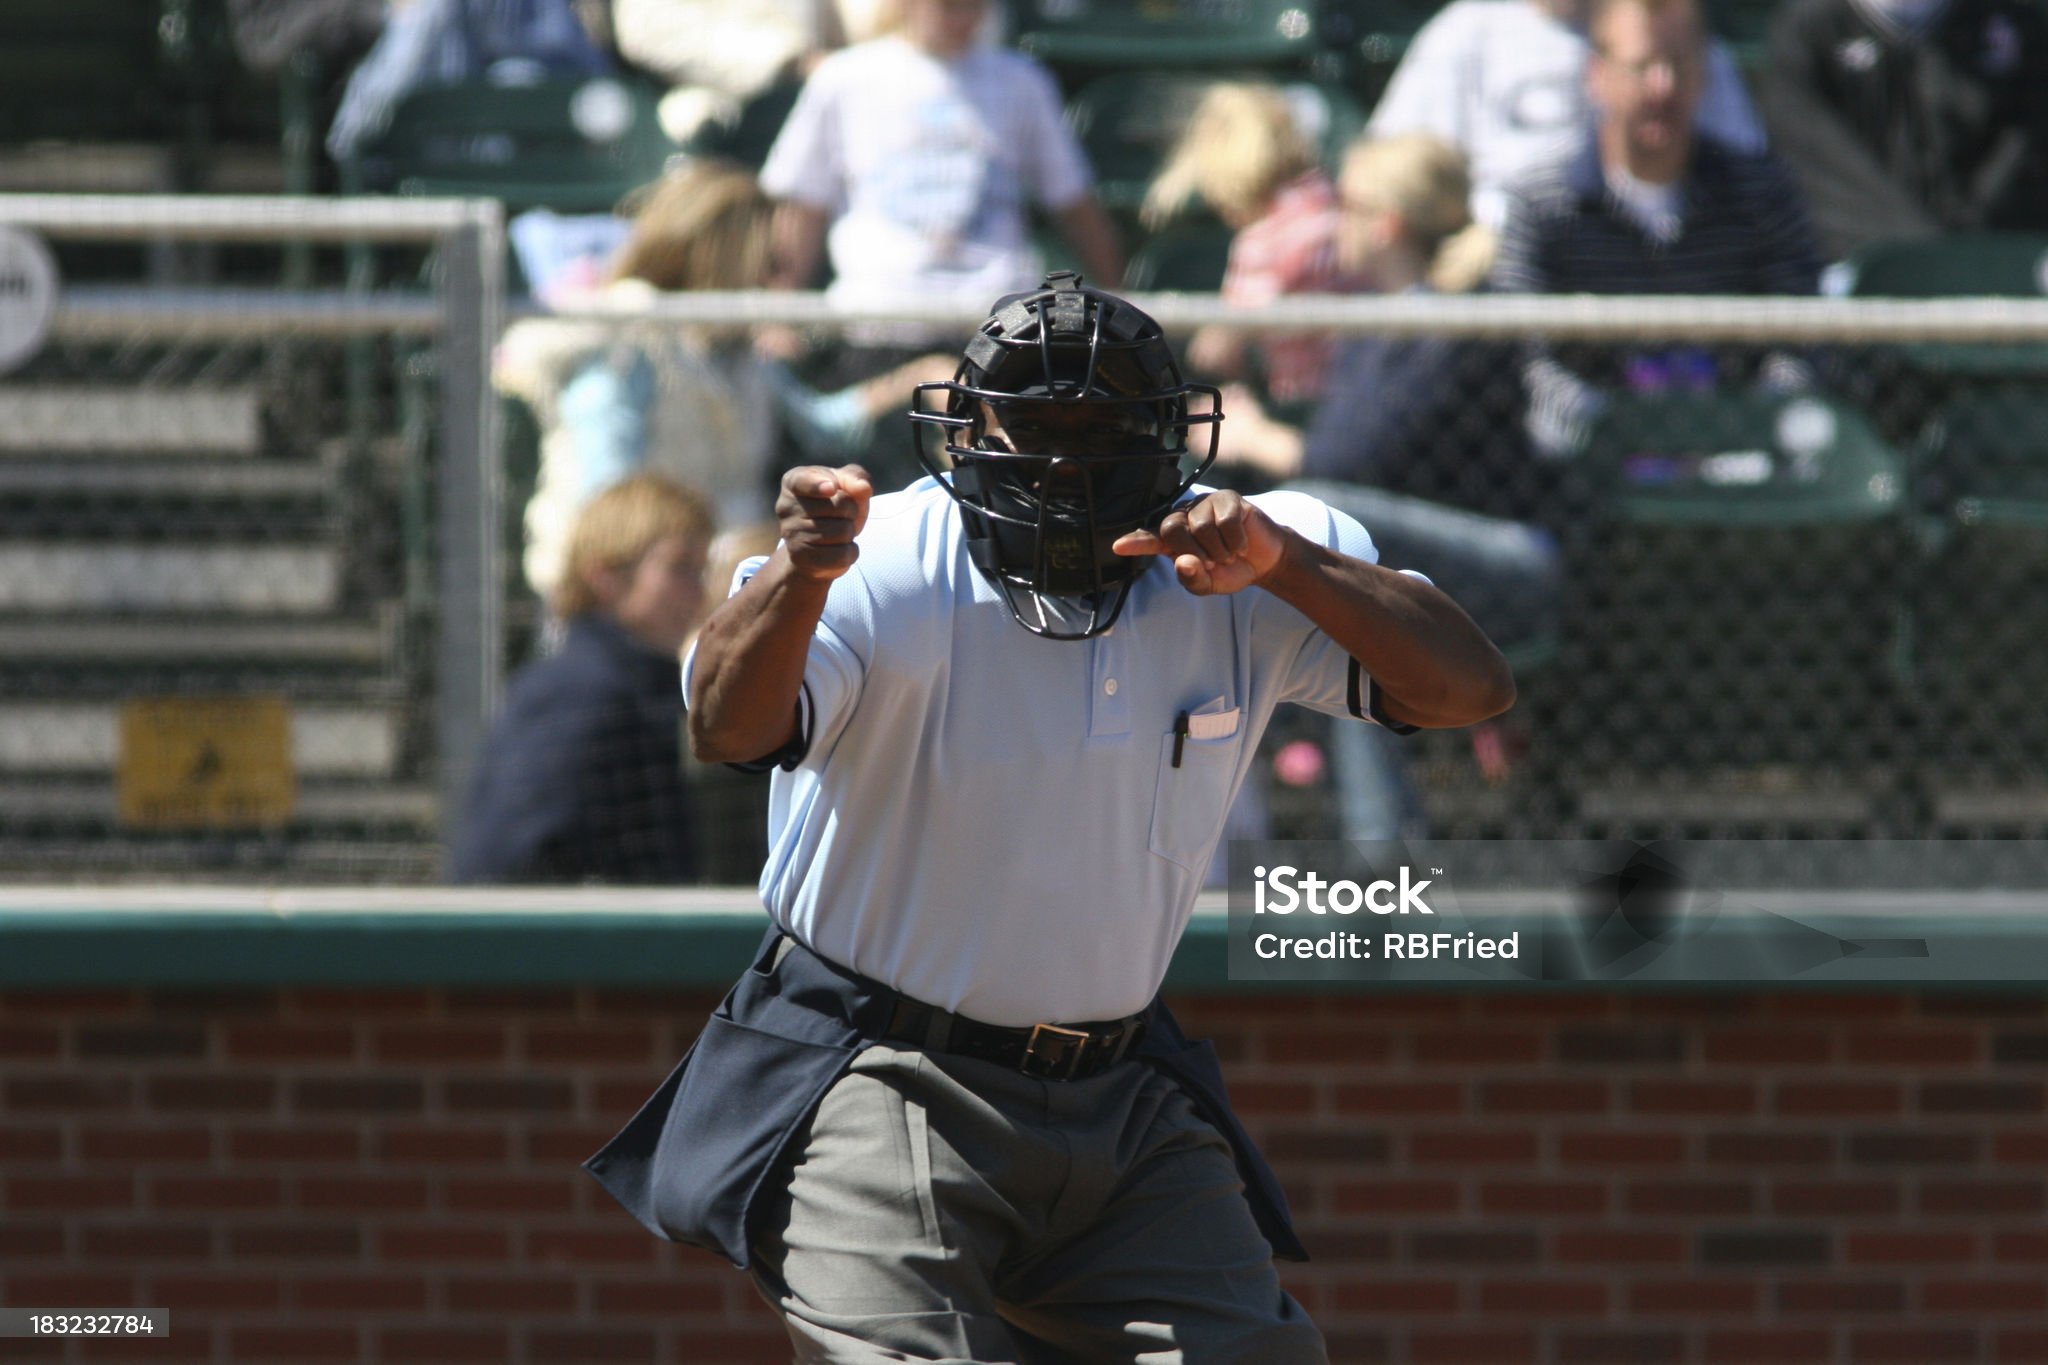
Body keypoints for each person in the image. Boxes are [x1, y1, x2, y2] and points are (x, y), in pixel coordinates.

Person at [583, 271, 1514, 1360]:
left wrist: (1289, 565)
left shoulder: (1239, 557)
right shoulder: (878, 555)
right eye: (1033, 419)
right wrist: (800, 571)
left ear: (1168, 435)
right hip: (880, 1073)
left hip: (1117, 1095)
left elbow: (1466, 689)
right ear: (970, 427)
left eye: (1102, 419)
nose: (1066, 454)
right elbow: (726, 727)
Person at [495, 159, 947, 604]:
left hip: (716, 583)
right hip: (634, 595)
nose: (775, 282)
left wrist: (919, 379)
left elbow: (820, 422)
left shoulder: (738, 348)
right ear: (723, 255)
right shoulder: (628, 340)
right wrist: (705, 563)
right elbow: (608, 505)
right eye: (768, 263)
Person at [1489, 0, 1825, 456]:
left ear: (1704, 74)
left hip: (1738, 448)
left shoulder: (1761, 192)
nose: (1662, 87)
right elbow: (1522, 353)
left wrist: (1754, 420)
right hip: (1587, 459)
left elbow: (1805, 330)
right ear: (1597, 75)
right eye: (1641, 66)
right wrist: (1606, 424)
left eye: (1679, 65)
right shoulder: (1544, 203)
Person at [757, 0, 1123, 349]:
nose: (964, 18)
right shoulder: (843, 78)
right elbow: (804, 207)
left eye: (975, 5)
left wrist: (1119, 304)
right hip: (878, 324)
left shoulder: (1023, 81)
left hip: (999, 327)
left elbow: (1074, 203)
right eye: (948, 5)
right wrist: (778, 315)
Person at [449, 474, 713, 884]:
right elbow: (504, 863)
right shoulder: (576, 694)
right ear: (606, 576)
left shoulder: (643, 689)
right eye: (680, 568)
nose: (698, 594)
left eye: (701, 570)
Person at [1365, 0, 1764, 231]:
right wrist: (1466, 232)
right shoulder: (1468, 31)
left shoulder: (1677, 44)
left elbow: (1748, 176)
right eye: (1641, 67)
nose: (1662, 83)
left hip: (1649, 263)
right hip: (1501, 278)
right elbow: (1385, 177)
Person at [1755, 0, 2048, 258]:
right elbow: (1814, 166)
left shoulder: (2015, 28)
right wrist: (1914, 245)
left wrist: (1965, 242)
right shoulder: (1807, 31)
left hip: (2000, 270)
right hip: (1851, 272)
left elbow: (2025, 152)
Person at [1141, 81, 1348, 408]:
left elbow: (1220, 351)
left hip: (1307, 406)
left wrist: (1206, 342)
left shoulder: (1263, 243)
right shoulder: (1338, 206)